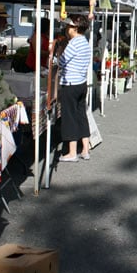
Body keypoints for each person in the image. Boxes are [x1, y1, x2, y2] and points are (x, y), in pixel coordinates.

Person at [58, 14, 92, 162]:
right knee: (81, 115)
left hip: (70, 84)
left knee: (69, 117)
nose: (67, 28)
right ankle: (85, 149)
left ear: (75, 28)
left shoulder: (73, 43)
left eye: (69, 26)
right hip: (81, 83)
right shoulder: (85, 42)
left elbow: (61, 62)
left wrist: (57, 52)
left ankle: (72, 152)